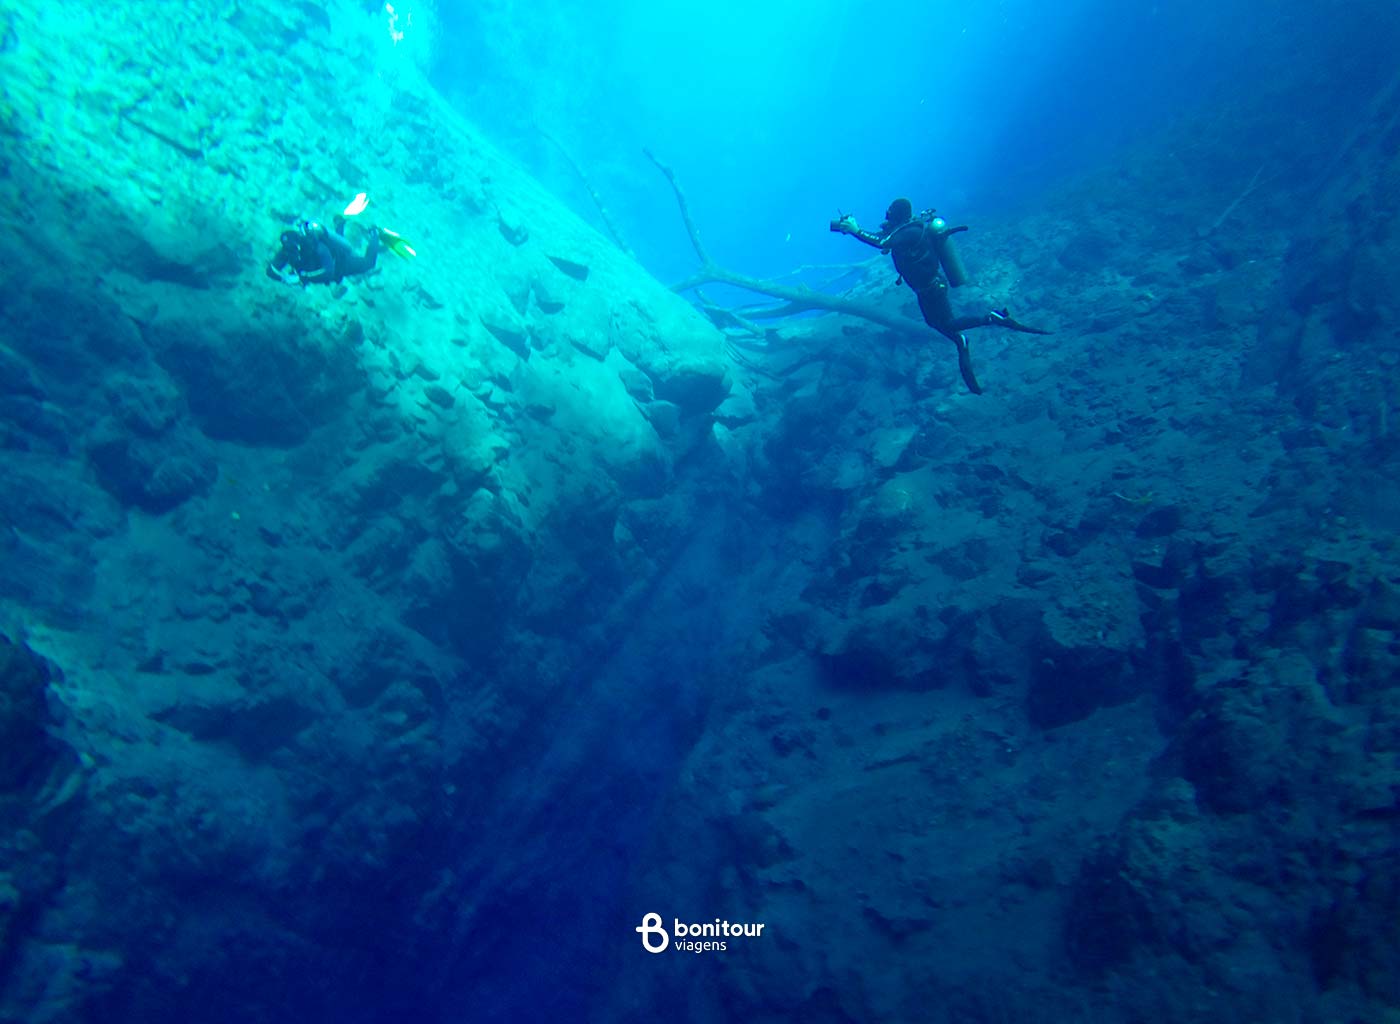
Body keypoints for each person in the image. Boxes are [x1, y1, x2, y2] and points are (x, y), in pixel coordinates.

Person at [831, 197, 1049, 394]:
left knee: (948, 323)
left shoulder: (911, 231)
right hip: (925, 289)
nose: (886, 214)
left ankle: (990, 319)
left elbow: (882, 242)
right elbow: (882, 237)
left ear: (898, 213)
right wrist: (852, 230)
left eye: (889, 211)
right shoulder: (901, 230)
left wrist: (856, 230)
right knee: (937, 324)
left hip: (932, 288)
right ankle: (962, 341)